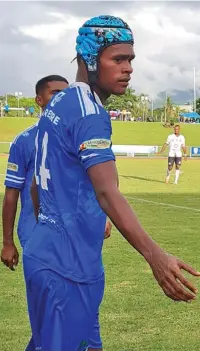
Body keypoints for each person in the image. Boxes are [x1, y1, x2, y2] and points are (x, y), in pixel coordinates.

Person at [24, 15, 200, 351]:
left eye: (130, 59)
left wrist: (57, 228)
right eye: (118, 59)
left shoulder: (59, 102)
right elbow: (107, 191)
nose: (128, 68)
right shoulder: (90, 114)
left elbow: (37, 186)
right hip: (67, 271)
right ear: (90, 60)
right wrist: (156, 257)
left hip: (51, 258)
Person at [0, 75, 69, 351]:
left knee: (65, 318)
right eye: (54, 93)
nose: (60, 99)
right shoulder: (24, 141)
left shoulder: (74, 139)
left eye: (66, 94)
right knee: (50, 319)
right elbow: (11, 196)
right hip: (37, 239)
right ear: (39, 100)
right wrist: (7, 242)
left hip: (70, 241)